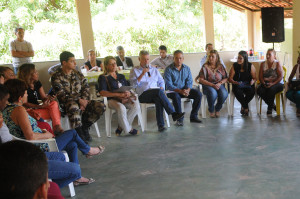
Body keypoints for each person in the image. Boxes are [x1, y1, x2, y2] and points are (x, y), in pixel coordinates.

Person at [3, 79, 105, 186]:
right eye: (25, 93)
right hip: (40, 146)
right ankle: (88, 151)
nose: (27, 95)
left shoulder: (6, 109)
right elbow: (30, 136)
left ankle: (77, 177)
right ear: (19, 97)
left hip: (34, 143)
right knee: (72, 133)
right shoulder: (19, 110)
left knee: (73, 144)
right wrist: (46, 134)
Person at [51, 51, 106, 142]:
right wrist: (78, 101)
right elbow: (61, 95)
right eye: (72, 61)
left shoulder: (77, 74)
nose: (75, 63)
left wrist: (83, 100)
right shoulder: (56, 76)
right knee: (73, 106)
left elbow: (86, 87)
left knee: (100, 106)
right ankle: (80, 136)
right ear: (64, 63)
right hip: (66, 105)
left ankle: (84, 127)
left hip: (81, 101)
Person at [130, 50, 184, 132]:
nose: (146, 61)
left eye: (148, 59)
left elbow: (161, 81)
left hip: (156, 93)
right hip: (143, 95)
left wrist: (162, 87)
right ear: (139, 59)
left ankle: (161, 126)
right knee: (158, 93)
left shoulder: (154, 69)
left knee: (159, 98)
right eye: (144, 59)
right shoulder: (134, 70)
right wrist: (142, 74)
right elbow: (133, 85)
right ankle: (173, 114)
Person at [98, 56, 139, 135]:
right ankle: (129, 129)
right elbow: (102, 92)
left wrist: (128, 93)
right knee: (121, 107)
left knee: (136, 105)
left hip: (124, 98)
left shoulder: (121, 76)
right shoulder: (103, 77)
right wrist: (118, 94)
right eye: (111, 64)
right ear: (106, 66)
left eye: (115, 63)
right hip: (111, 100)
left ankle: (121, 127)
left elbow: (128, 88)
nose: (114, 66)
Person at [18, 63, 64, 133]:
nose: (37, 73)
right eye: (35, 72)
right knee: (54, 113)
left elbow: (43, 98)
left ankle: (56, 126)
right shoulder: (22, 85)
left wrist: (49, 98)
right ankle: (56, 127)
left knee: (54, 103)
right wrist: (40, 106)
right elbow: (25, 103)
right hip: (30, 111)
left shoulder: (37, 83)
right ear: (29, 75)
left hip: (39, 108)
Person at [164, 50, 202, 126]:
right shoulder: (168, 69)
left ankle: (193, 116)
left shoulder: (186, 68)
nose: (179, 60)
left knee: (198, 94)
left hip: (184, 90)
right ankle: (179, 120)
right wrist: (180, 91)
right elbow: (169, 85)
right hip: (172, 91)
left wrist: (187, 90)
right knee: (176, 96)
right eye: (176, 58)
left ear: (183, 59)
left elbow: (190, 81)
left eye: (180, 58)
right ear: (173, 59)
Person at [195, 50, 228, 118]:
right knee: (213, 93)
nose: (210, 58)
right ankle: (211, 109)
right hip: (208, 85)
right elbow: (201, 79)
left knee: (224, 93)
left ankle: (217, 108)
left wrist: (220, 83)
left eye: (213, 56)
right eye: (209, 56)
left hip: (219, 84)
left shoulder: (220, 66)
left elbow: (226, 78)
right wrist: (212, 85)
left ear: (217, 58)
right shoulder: (205, 66)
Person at [228, 51, 256, 116]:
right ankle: (246, 107)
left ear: (245, 58)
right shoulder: (234, 66)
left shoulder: (250, 66)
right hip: (237, 84)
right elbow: (230, 78)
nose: (238, 60)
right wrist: (234, 82)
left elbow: (254, 78)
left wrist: (252, 81)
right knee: (237, 91)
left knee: (252, 91)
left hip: (248, 84)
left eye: (241, 58)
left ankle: (243, 106)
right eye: (238, 58)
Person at [257, 49, 284, 116]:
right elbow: (260, 77)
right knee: (259, 90)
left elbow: (280, 76)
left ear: (274, 56)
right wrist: (264, 83)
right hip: (266, 82)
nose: (268, 56)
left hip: (277, 83)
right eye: (267, 54)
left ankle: (269, 108)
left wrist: (272, 84)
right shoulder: (263, 64)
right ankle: (272, 105)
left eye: (270, 54)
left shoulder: (277, 63)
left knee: (271, 89)